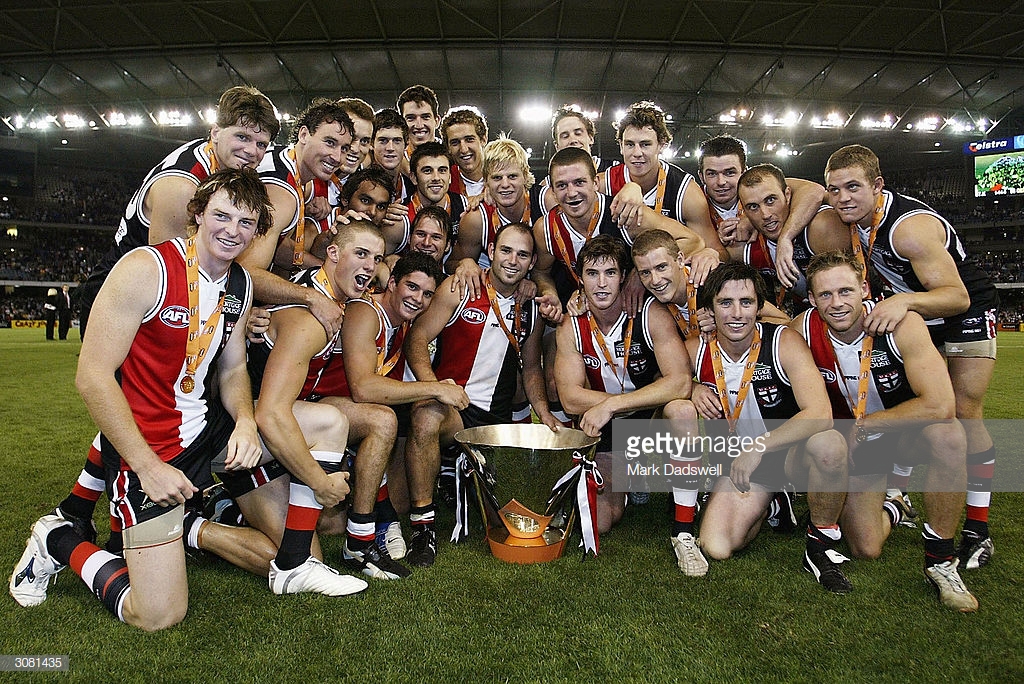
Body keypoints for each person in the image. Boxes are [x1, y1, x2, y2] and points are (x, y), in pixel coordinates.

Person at [9, 169, 337, 631]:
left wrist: (244, 419)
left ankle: (295, 565)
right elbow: (93, 377)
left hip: (207, 428)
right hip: (151, 447)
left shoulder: (240, 283)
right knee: (158, 615)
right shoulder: (147, 268)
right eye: (221, 216)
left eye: (245, 223)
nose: (232, 231)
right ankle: (58, 538)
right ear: (197, 214)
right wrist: (146, 465)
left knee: (326, 424)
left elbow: (234, 367)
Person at [815, 145, 999, 570]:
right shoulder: (851, 220)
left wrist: (907, 303)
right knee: (911, 401)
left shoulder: (907, 229)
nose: (842, 197)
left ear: (878, 186)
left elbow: (957, 296)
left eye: (853, 187)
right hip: (919, 307)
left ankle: (977, 527)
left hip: (962, 308)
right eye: (834, 189)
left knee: (963, 412)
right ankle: (898, 493)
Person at [791, 250, 977, 611]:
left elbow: (940, 405)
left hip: (899, 433)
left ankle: (941, 562)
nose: (837, 303)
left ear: (863, 288)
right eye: (825, 295)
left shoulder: (900, 325)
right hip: (857, 447)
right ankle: (895, 505)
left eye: (845, 291)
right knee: (865, 548)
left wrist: (862, 426)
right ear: (812, 299)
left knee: (950, 434)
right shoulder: (802, 330)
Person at [686, 263, 851, 594]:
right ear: (709, 310)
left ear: (759, 307)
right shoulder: (695, 349)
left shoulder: (783, 342)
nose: (737, 313)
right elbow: (660, 387)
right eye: (725, 303)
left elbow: (820, 412)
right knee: (717, 546)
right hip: (740, 464)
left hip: (784, 452)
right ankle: (774, 501)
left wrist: (758, 446)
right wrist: (691, 387)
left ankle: (818, 547)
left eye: (746, 302)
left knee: (830, 444)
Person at [403, 223, 559, 567]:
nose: (512, 260)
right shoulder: (461, 287)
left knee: (511, 521)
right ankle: (423, 527)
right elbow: (417, 338)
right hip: (453, 407)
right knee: (426, 418)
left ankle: (452, 471)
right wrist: (436, 388)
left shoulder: (530, 306)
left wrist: (544, 412)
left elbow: (531, 367)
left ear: (531, 262)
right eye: (506, 250)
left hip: (495, 422)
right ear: (492, 248)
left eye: (522, 254)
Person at [554, 235, 705, 575]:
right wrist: (616, 407)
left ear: (624, 276)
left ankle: (683, 530)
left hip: (648, 419)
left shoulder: (648, 312)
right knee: (603, 521)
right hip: (609, 427)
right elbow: (570, 396)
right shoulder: (572, 325)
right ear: (581, 279)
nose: (602, 283)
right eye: (593, 274)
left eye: (610, 273)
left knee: (681, 409)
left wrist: (613, 405)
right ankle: (631, 476)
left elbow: (680, 381)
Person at [78, 85, 279, 335]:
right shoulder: (182, 187)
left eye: (261, 144)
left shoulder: (225, 167)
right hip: (130, 294)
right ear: (215, 132)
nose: (252, 151)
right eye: (242, 137)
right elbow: (167, 273)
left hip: (158, 293)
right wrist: (235, 313)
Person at [332, 252, 465, 563]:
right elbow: (363, 388)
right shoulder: (367, 312)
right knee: (383, 419)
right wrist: (435, 388)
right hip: (321, 406)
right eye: (412, 287)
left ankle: (393, 514)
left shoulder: (401, 322)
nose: (418, 299)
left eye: (428, 293)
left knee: (401, 500)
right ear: (392, 282)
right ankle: (364, 535)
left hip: (352, 414)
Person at [244, 98, 354, 340]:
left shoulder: (289, 167)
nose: (337, 156)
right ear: (304, 134)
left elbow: (273, 247)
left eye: (344, 148)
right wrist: (312, 297)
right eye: (330, 142)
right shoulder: (283, 192)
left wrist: (323, 267)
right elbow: (248, 272)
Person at [735, 163, 849, 312]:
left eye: (770, 200)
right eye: (753, 207)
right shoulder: (748, 245)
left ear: (787, 195)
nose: (765, 215)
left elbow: (850, 292)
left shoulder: (821, 227)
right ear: (744, 212)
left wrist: (785, 237)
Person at [697, 135, 825, 251]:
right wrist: (714, 243)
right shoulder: (691, 203)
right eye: (712, 174)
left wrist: (753, 220)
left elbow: (815, 191)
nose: (721, 182)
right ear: (701, 177)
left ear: (744, 172)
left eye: (730, 172)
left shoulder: (765, 186)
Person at [440, 105, 488, 198]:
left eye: (469, 139)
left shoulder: (503, 176)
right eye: (455, 142)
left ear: (483, 140)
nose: (463, 149)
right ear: (448, 147)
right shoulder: (443, 179)